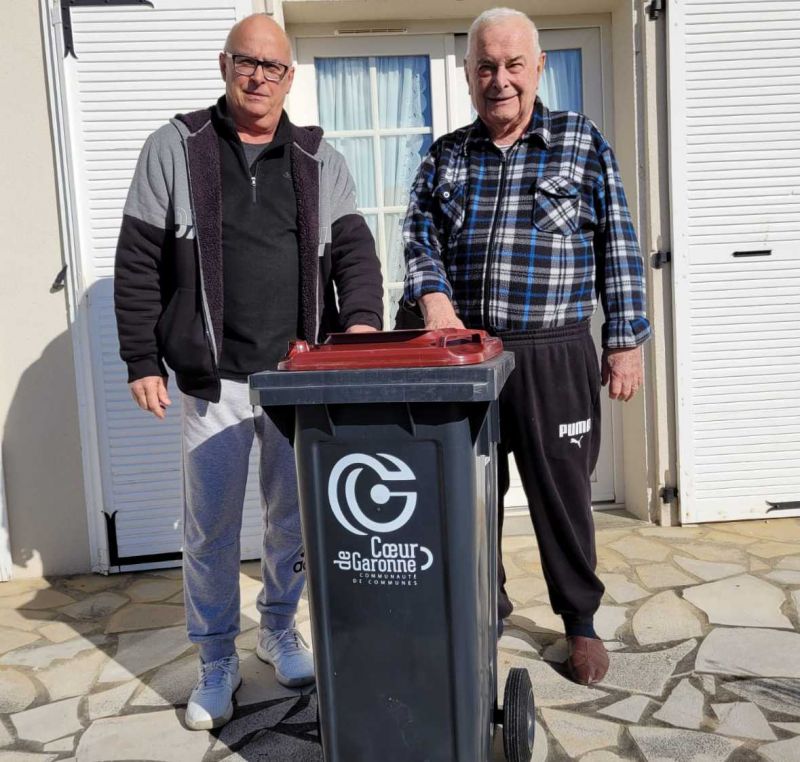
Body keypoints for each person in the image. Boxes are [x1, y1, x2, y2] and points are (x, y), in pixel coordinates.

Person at [114, 14, 383, 729]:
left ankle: (278, 628)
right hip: (216, 381)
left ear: (290, 77)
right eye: (247, 62)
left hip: (297, 377)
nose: (259, 76)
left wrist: (358, 329)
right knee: (210, 530)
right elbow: (137, 259)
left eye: (274, 66)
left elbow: (354, 252)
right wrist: (142, 357)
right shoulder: (176, 147)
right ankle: (215, 658)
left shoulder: (318, 158)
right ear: (224, 64)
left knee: (291, 520)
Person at [402, 7, 650, 686]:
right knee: (467, 497)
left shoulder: (581, 142)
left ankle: (580, 621)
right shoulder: (446, 155)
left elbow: (619, 244)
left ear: (538, 67)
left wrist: (625, 340)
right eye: (486, 66)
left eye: (513, 65)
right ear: (468, 74)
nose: (500, 80)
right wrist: (433, 299)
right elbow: (417, 236)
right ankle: (486, 607)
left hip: (555, 352)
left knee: (562, 498)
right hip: (466, 355)